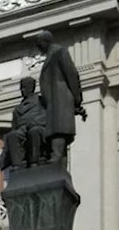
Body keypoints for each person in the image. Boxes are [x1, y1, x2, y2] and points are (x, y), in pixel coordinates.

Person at [35, 30, 85, 163]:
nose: (39, 49)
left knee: (59, 128)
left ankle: (57, 155)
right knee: (55, 128)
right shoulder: (52, 54)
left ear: (46, 42)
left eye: (39, 45)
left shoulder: (59, 52)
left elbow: (71, 74)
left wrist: (76, 99)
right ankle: (59, 158)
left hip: (60, 98)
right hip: (54, 100)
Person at [0, 77, 47, 169]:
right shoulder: (17, 110)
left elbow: (48, 114)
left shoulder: (41, 101)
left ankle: (34, 162)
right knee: (12, 135)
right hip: (22, 130)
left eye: (25, 87)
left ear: (31, 88)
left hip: (39, 128)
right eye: (21, 88)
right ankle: (17, 165)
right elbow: (14, 127)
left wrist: (36, 121)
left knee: (34, 131)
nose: (22, 90)